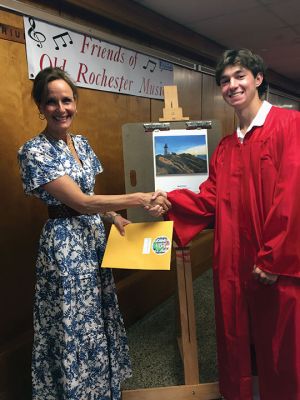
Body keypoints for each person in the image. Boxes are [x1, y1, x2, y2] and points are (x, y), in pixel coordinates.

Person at [155, 49, 300, 400]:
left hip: (274, 262)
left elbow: (292, 195)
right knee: (235, 338)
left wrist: (273, 257)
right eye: (224, 81)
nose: (231, 85)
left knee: (282, 344)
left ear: (258, 79)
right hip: (233, 261)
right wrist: (168, 200)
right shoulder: (225, 146)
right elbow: (210, 198)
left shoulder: (289, 126)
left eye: (239, 76)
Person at [18, 67, 170, 400]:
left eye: (67, 100)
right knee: (73, 323)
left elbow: (91, 194)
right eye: (51, 102)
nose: (61, 109)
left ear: (76, 102)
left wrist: (114, 216)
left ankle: (101, 390)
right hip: (64, 246)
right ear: (40, 107)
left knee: (96, 317)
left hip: (92, 240)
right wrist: (138, 198)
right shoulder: (34, 152)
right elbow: (83, 202)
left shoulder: (82, 144)